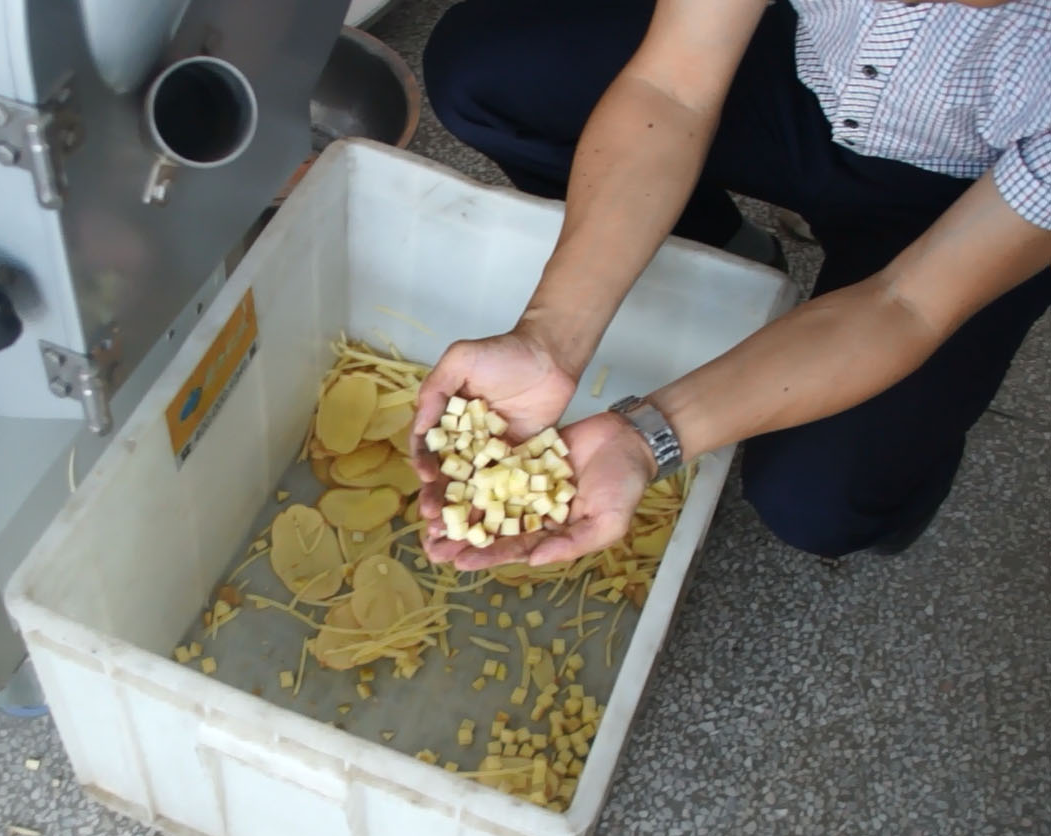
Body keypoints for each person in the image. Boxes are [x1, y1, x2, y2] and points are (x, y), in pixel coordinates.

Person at [410, 0, 1051, 570]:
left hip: (970, 198)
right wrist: (550, 337)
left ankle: (900, 488)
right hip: (810, 80)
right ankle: (730, 255)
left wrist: (647, 437)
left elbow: (906, 304)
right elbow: (671, 90)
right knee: (487, 68)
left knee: (821, 501)